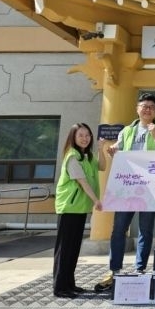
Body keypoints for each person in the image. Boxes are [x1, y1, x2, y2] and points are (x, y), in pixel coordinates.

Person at [95, 92, 155, 292]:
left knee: (146, 229)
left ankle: (140, 268)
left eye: (151, 107)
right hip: (127, 187)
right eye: (144, 106)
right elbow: (119, 150)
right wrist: (112, 150)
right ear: (137, 109)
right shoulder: (127, 131)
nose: (147, 110)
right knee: (119, 228)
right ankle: (115, 270)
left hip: (151, 188)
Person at [53, 123, 105, 298]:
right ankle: (60, 287)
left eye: (87, 135)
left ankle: (70, 284)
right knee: (65, 249)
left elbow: (102, 167)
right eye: (80, 135)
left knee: (73, 248)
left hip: (79, 208)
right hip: (69, 208)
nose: (85, 138)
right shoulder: (72, 156)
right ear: (73, 138)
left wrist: (101, 149)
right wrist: (96, 201)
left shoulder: (87, 156)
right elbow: (82, 182)